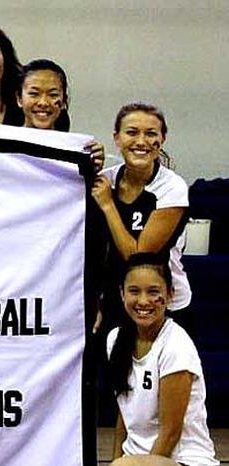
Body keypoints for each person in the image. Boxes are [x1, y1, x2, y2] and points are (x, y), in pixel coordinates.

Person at [45, 253, 217, 466]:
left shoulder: (176, 345)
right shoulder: (115, 340)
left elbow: (170, 432)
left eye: (154, 292)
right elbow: (124, 415)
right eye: (134, 291)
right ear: (122, 294)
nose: (144, 300)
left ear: (170, 295)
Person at [92, 103, 192, 335]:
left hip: (162, 304)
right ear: (116, 138)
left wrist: (108, 205)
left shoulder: (171, 187)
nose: (141, 141)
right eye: (132, 132)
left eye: (150, 133)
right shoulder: (104, 180)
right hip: (115, 300)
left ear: (162, 139)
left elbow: (136, 258)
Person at [16, 58, 105, 171]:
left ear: (64, 101)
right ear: (19, 98)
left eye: (53, 95)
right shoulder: (2, 145)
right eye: (34, 94)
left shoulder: (79, 149)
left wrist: (93, 171)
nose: (43, 102)